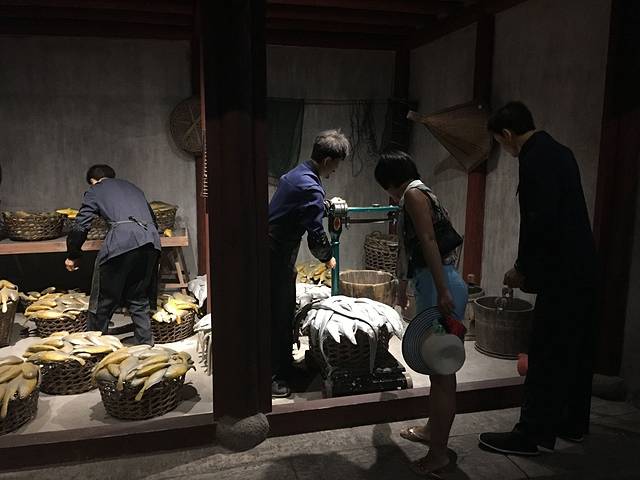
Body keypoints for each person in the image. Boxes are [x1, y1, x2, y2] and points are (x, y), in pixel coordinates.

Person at [479, 102, 597, 455]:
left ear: (507, 134)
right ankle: (572, 423)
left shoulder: (534, 159)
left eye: (500, 142)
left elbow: (539, 222)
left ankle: (529, 435)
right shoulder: (561, 152)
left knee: (545, 353)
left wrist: (522, 268)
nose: (504, 149)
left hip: (561, 274)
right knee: (574, 351)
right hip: (583, 267)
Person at [374, 150, 468, 476]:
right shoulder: (420, 193)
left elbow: (428, 240)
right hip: (434, 284)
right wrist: (404, 286)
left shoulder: (413, 195)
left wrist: (441, 290)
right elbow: (413, 246)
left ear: (389, 181)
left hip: (441, 287)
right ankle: (432, 431)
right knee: (437, 368)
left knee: (442, 373)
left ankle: (438, 455)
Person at [268, 129, 350, 398]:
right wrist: (328, 257)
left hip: (273, 251)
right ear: (327, 160)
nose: (335, 171)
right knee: (278, 315)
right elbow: (316, 236)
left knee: (282, 311)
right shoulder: (310, 187)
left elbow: (302, 206)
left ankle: (284, 366)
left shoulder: (297, 174)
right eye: (336, 165)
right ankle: (274, 377)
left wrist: (325, 205)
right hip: (275, 254)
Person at [65, 164, 161, 346]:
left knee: (104, 298)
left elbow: (81, 225)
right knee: (138, 295)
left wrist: (73, 253)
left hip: (122, 241)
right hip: (151, 241)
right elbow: (153, 220)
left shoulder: (96, 190)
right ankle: (144, 343)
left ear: (93, 181)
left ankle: (96, 345)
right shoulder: (133, 188)